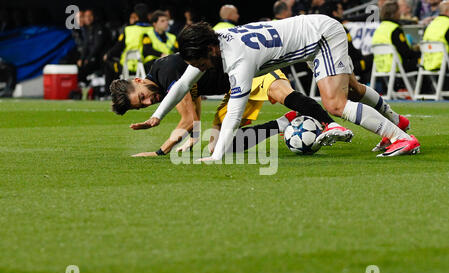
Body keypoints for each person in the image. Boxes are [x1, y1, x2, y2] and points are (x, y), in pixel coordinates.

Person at [141, 15, 421, 160]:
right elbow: (182, 84)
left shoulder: (239, 61)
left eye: (199, 62)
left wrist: (215, 157)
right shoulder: (218, 40)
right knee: (354, 90)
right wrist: (158, 116)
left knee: (335, 104)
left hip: (321, 37)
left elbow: (235, 115)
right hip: (315, 30)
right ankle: (397, 121)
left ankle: (401, 138)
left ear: (210, 49)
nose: (199, 68)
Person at [110, 54, 353, 156]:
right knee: (220, 147)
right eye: (143, 106)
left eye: (142, 97)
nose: (149, 102)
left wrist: (160, 151)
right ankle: (283, 122)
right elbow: (193, 98)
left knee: (280, 92)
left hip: (250, 70)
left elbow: (185, 118)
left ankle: (330, 123)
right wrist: (194, 134)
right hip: (235, 89)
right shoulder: (161, 79)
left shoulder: (165, 73)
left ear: (138, 80)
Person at [103, 3, 151, 95]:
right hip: (145, 66)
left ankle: (107, 93)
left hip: (126, 66)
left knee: (108, 63)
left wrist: (108, 54)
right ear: (148, 15)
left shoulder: (128, 29)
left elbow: (118, 47)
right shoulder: (153, 30)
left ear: (136, 16)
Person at [372, 1, 421, 73]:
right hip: (397, 66)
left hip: (381, 67)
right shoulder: (395, 29)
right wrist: (419, 52)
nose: (400, 14)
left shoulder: (379, 29)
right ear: (393, 14)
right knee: (423, 60)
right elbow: (405, 52)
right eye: (398, 11)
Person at [77, 9, 108, 86]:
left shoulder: (99, 27)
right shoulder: (86, 29)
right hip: (92, 57)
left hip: (101, 57)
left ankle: (99, 83)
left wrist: (88, 58)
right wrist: (82, 58)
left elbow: (98, 46)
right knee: (79, 64)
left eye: (89, 16)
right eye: (85, 16)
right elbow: (86, 45)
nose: (88, 18)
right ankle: (84, 84)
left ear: (93, 17)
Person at [422, 0, 449, 70]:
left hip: (428, 63)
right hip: (444, 63)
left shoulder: (431, 24)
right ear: (447, 11)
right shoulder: (447, 24)